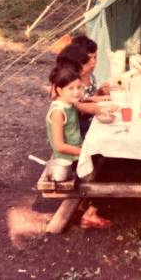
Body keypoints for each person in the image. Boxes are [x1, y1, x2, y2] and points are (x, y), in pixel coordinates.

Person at [47, 63, 112, 229]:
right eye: (71, 88)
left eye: (78, 87)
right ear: (59, 90)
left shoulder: (69, 103)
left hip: (78, 152)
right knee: (112, 167)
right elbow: (59, 146)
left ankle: (89, 203)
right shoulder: (58, 112)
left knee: (110, 156)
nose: (77, 92)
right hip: (69, 160)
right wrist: (85, 152)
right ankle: (92, 213)